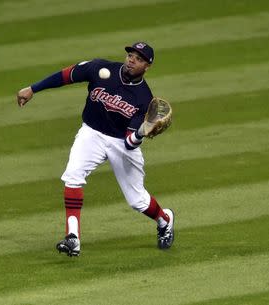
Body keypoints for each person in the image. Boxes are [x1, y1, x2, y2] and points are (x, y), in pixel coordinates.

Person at [16, 42, 174, 257]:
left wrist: (140, 133)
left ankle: (164, 220)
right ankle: (73, 238)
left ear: (147, 66)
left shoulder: (143, 99)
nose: (131, 60)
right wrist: (33, 88)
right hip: (91, 133)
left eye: (138, 58)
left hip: (121, 143)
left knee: (138, 201)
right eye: (130, 55)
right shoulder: (101, 69)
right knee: (73, 177)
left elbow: (129, 143)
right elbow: (67, 75)